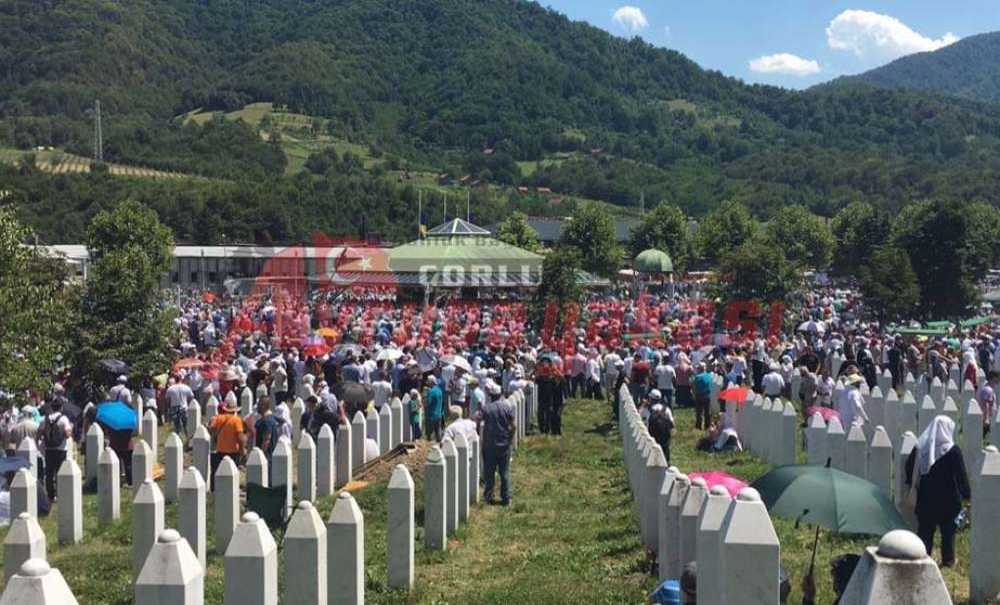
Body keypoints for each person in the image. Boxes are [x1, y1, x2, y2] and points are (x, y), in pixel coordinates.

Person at [905, 415, 970, 567]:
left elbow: (909, 467)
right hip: (949, 500)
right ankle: (948, 560)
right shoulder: (953, 451)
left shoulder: (920, 448)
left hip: (926, 498)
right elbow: (961, 475)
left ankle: (922, 556)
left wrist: (911, 484)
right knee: (948, 532)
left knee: (925, 530)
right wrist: (967, 495)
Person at [478, 380, 515, 505]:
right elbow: (513, 426)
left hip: (490, 445)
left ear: (491, 396)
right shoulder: (507, 407)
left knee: (489, 472)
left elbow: (477, 418)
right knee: (504, 472)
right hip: (504, 443)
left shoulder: (486, 408)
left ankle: (489, 495)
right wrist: (510, 438)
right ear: (500, 394)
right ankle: (506, 497)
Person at [38, 399, 72, 501]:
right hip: (61, 449)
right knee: (60, 472)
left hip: (48, 449)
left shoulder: (45, 419)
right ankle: (59, 493)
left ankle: (51, 495)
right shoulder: (64, 419)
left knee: (49, 473)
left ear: (51, 407)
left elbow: (39, 432)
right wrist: (70, 430)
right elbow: (67, 434)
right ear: (61, 407)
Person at [209, 397, 247, 483]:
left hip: (220, 451)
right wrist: (243, 451)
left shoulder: (218, 418)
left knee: (220, 474)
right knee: (232, 476)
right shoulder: (237, 420)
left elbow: (211, 428)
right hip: (233, 452)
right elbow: (240, 437)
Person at [692, 364, 714, 430]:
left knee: (699, 412)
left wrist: (694, 394)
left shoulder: (697, 377)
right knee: (707, 412)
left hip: (699, 395)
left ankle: (698, 426)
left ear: (699, 369)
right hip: (708, 395)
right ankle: (707, 425)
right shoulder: (710, 375)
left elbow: (694, 387)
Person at [424, 376, 445, 442]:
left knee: (430, 436)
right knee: (438, 433)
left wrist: (424, 398)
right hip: (438, 414)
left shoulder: (431, 392)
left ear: (431, 382)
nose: (427, 383)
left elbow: (427, 403)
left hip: (431, 415)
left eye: (428, 382)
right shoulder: (439, 390)